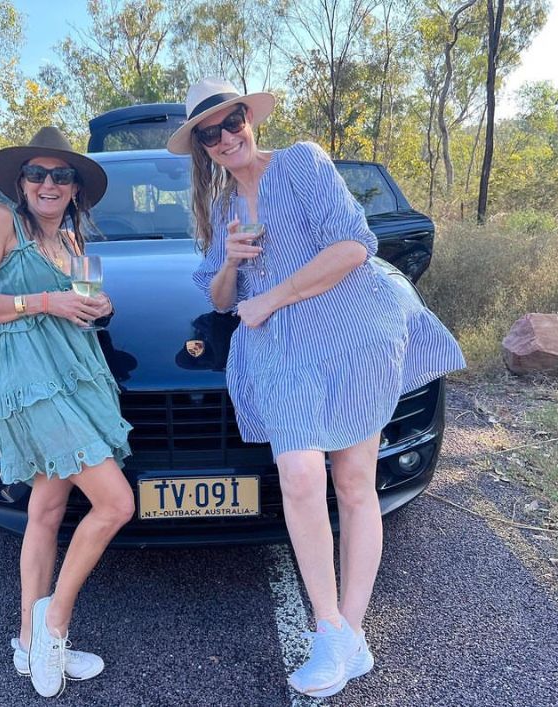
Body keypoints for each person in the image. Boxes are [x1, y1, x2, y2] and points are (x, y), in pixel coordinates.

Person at [168, 78, 466, 698]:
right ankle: (331, 627)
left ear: (249, 118)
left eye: (232, 122)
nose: (225, 138)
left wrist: (271, 296)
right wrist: (231, 262)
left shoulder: (302, 162)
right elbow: (220, 300)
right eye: (209, 133)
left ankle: (345, 634)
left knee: (355, 483)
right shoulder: (222, 209)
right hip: (284, 352)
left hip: (349, 332)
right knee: (301, 476)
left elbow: (355, 246)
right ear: (200, 146)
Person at [0, 126, 135, 699]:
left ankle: (28, 641)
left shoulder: (74, 241)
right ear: (22, 182)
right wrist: (44, 301)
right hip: (32, 384)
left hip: (74, 377)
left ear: (76, 187)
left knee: (48, 508)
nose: (48, 184)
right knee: (116, 503)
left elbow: (81, 305)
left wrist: (99, 305)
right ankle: (53, 626)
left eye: (61, 175)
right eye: (37, 173)